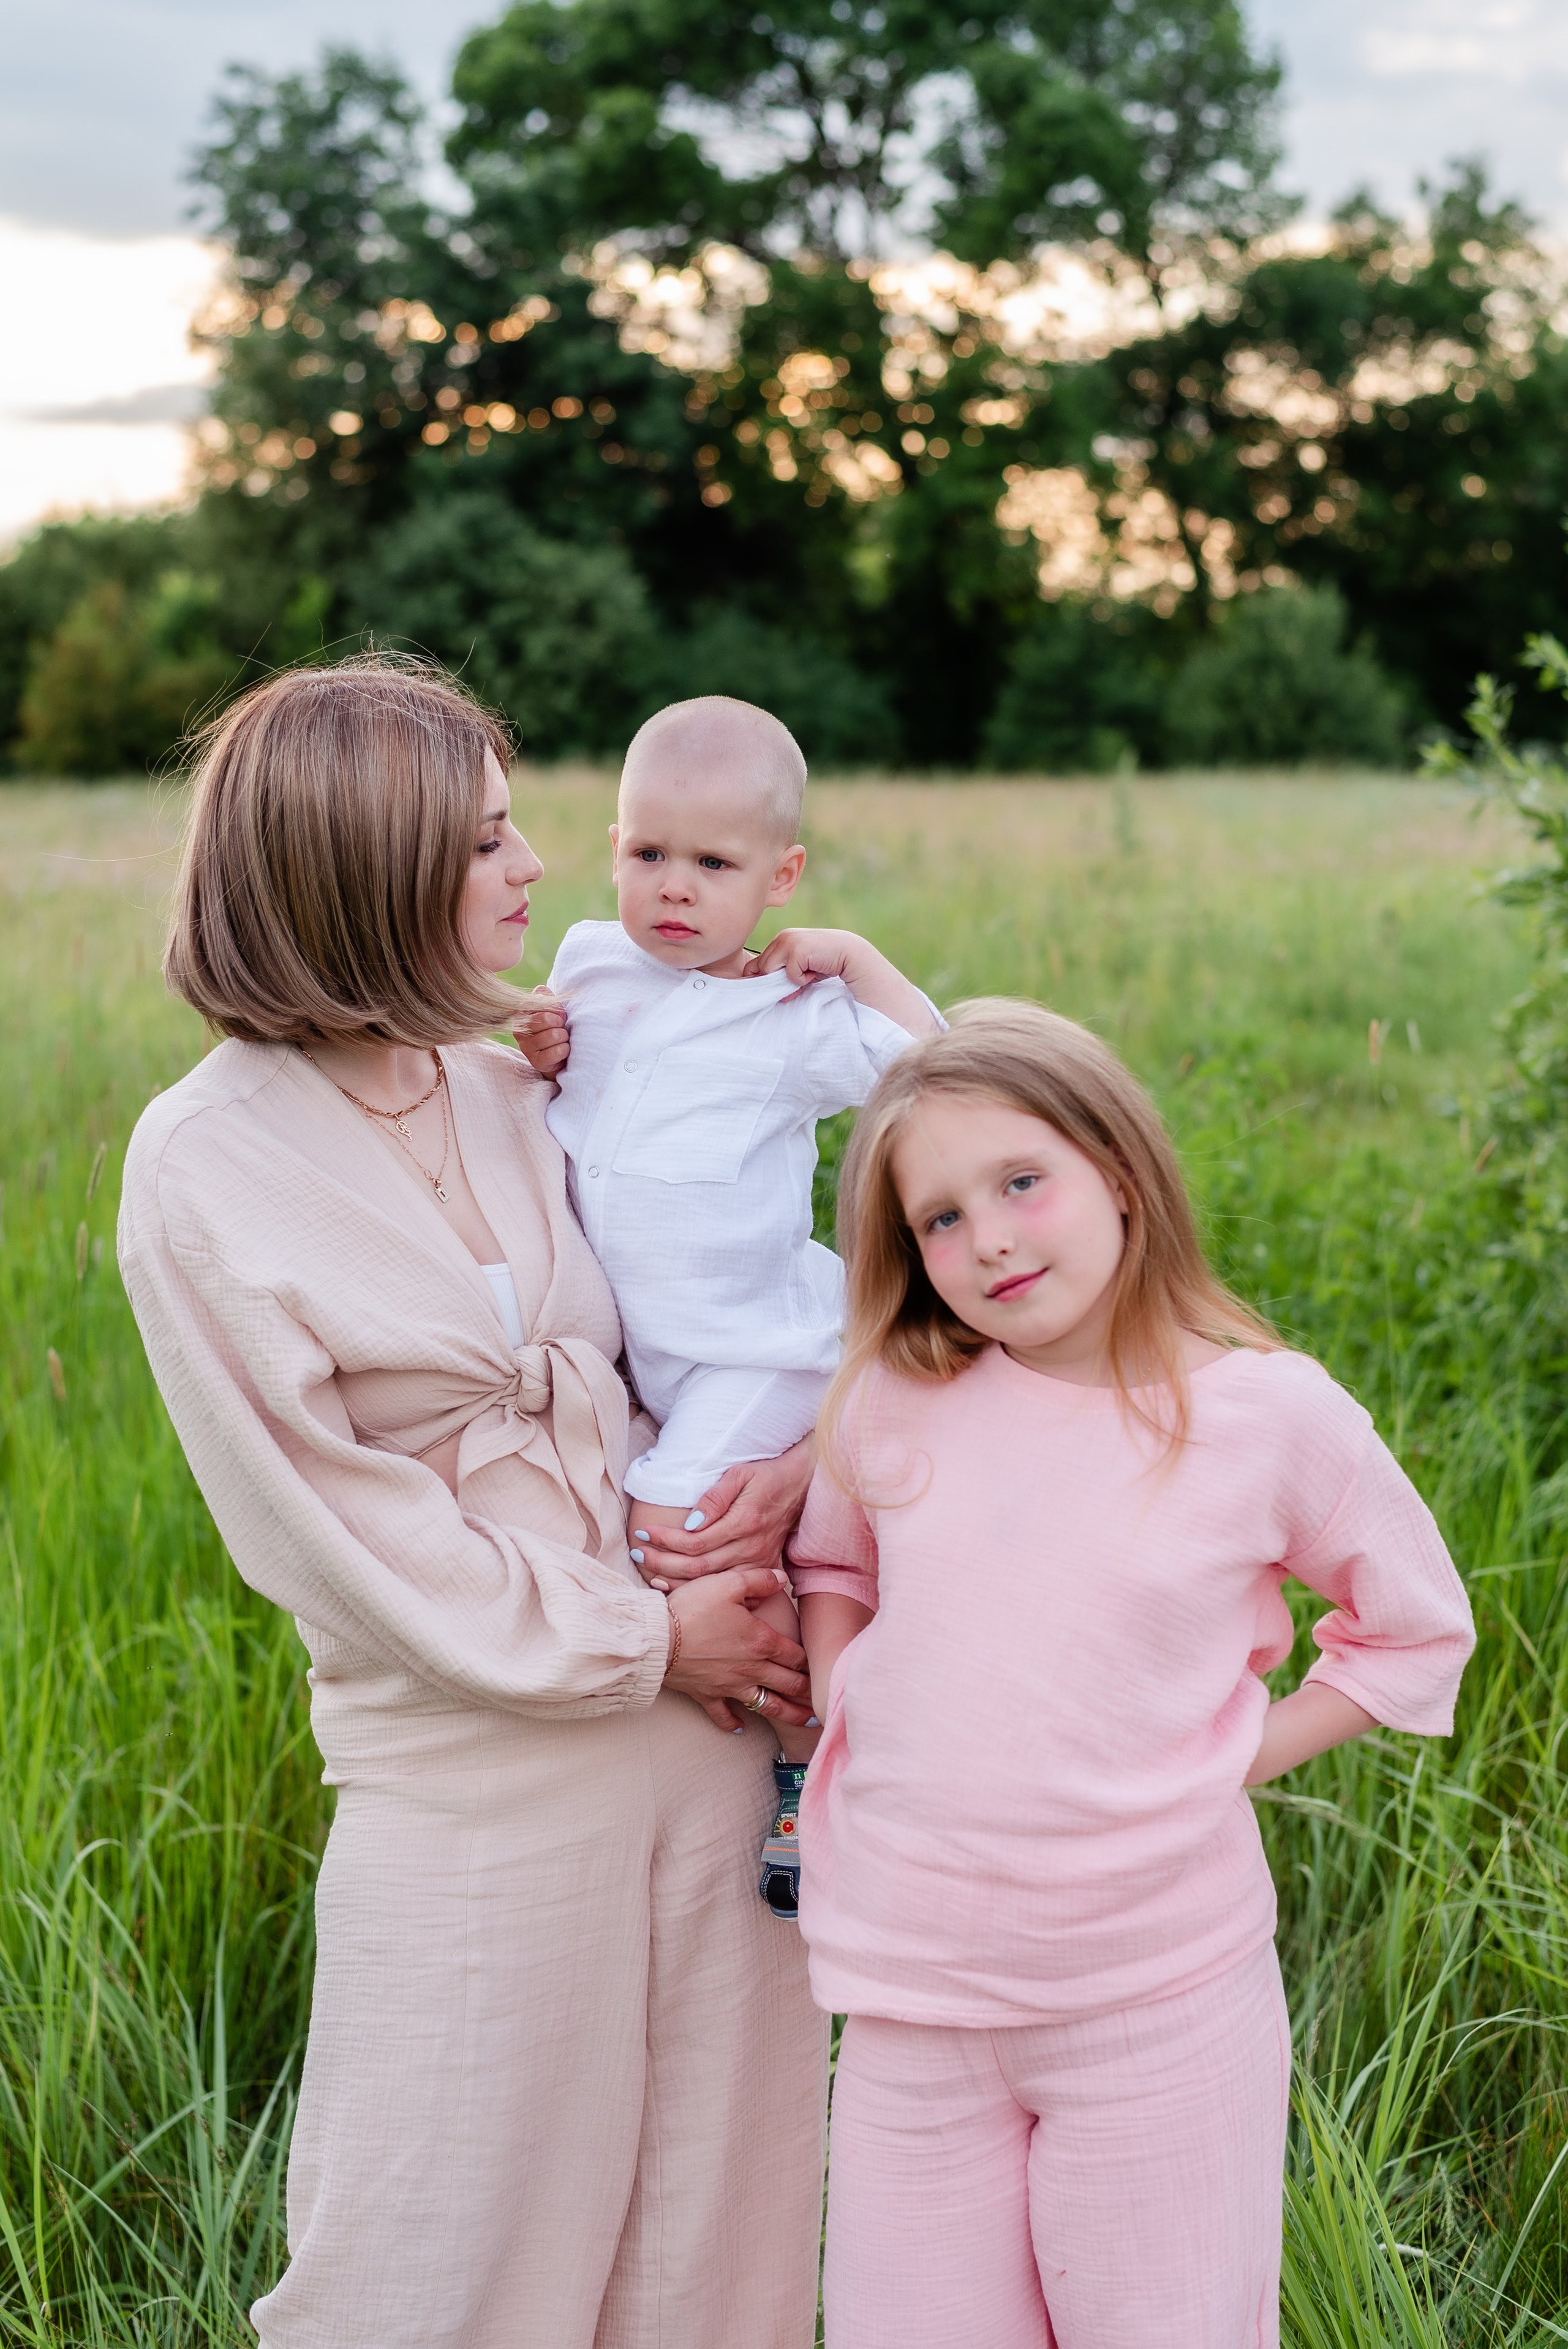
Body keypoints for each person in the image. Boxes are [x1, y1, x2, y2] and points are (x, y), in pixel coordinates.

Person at [116, 657, 829, 2349]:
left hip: (723, 1743)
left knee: (712, 2259)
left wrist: (801, 1457)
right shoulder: (205, 1162)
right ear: (366, 876)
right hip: (482, 1777)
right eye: (490, 839)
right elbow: (335, 1532)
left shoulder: (529, 1077)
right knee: (427, 2270)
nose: (537, 873)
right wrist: (651, 1635)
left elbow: (736, 1304)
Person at [789, 999, 1476, 2349]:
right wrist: (842, 1701)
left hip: (1151, 2004)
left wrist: (1236, 1754)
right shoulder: (891, 1397)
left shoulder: (1262, 1414)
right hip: (910, 2003)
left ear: (1115, 1169)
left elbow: (1414, 1628)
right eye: (937, 1219)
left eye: (1021, 1183)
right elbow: (834, 1566)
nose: (985, 1238)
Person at [513, 695, 939, 1912]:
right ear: (612, 849)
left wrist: (856, 962)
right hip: (647, 1347)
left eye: (712, 863)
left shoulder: (793, 1018)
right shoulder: (591, 960)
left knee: (672, 1524)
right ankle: (785, 1718)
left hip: (755, 1346)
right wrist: (545, 1047)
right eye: (648, 853)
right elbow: (575, 1077)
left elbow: (940, 1070)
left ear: (779, 876)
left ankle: (803, 1771)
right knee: (742, 1540)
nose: (673, 889)